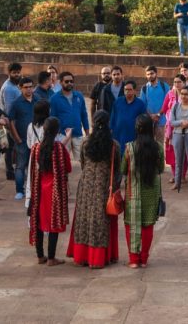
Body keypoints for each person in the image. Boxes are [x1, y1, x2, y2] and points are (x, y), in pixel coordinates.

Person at [66, 111, 120, 268]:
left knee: (84, 219)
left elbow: (83, 164)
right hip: (104, 187)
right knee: (101, 221)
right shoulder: (113, 145)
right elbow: (116, 169)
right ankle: (98, 258)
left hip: (86, 186)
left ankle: (82, 256)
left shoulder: (85, 143)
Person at [121, 114, 165, 268]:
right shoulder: (158, 147)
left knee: (131, 224)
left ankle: (133, 260)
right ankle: (144, 260)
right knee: (147, 225)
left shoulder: (129, 148)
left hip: (133, 192)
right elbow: (160, 169)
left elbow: (123, 169)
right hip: (151, 191)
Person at [28, 117, 72, 267]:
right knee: (54, 223)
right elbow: (68, 168)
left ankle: (40, 255)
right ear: (56, 131)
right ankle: (51, 257)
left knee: (39, 222)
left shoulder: (36, 148)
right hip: (54, 191)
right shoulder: (58, 148)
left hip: (39, 191)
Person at [25, 100, 72, 210]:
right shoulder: (48, 126)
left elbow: (28, 144)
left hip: (34, 156)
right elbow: (57, 145)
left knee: (32, 185)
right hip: (47, 157)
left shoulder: (30, 126)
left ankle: (31, 212)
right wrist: (68, 136)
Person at [50, 71, 89, 163]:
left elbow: (84, 115)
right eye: (66, 81)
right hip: (62, 135)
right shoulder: (54, 98)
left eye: (71, 81)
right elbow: (52, 118)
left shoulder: (79, 96)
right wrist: (54, 136)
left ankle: (83, 178)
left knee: (84, 162)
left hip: (78, 134)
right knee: (62, 163)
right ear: (61, 82)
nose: (69, 83)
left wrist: (87, 134)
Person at [8, 77, 37, 200]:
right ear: (20, 88)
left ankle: (34, 190)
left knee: (35, 166)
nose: (29, 89)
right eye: (26, 87)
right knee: (20, 166)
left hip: (36, 140)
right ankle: (20, 190)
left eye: (31, 86)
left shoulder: (38, 100)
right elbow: (11, 122)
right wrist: (17, 138)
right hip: (22, 140)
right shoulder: (16, 103)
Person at [0, 62, 23, 181]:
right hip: (11, 122)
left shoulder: (14, 85)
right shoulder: (9, 88)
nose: (17, 75)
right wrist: (11, 125)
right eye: (14, 73)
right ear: (9, 73)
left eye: (18, 72)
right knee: (11, 148)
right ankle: (10, 171)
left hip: (14, 121)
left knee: (11, 148)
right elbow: (8, 108)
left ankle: (11, 171)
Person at [110, 81, 148, 151]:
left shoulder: (140, 104)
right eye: (125, 89)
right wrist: (111, 130)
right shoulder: (118, 101)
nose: (127, 91)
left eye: (130, 89)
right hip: (118, 136)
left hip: (133, 136)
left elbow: (143, 121)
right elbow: (112, 118)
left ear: (134, 91)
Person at [140, 65, 170, 149]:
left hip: (161, 121)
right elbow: (143, 104)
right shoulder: (144, 88)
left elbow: (168, 103)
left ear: (156, 73)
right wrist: (151, 116)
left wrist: (158, 115)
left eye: (152, 73)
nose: (150, 76)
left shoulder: (165, 86)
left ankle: (159, 162)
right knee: (148, 144)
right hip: (148, 121)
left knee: (159, 145)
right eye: (148, 74)